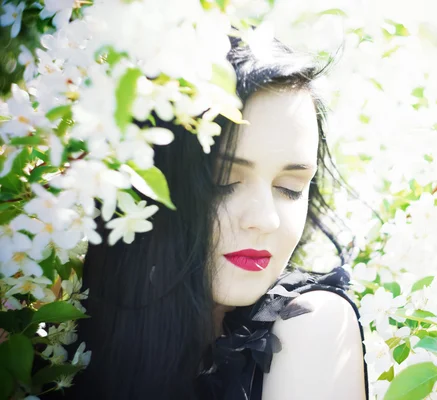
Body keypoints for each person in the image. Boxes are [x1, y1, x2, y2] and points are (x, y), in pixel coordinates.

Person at [44, 34, 369, 400]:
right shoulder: (47, 322)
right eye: (223, 181)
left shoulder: (307, 326)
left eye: (291, 187)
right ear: (148, 182)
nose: (266, 220)